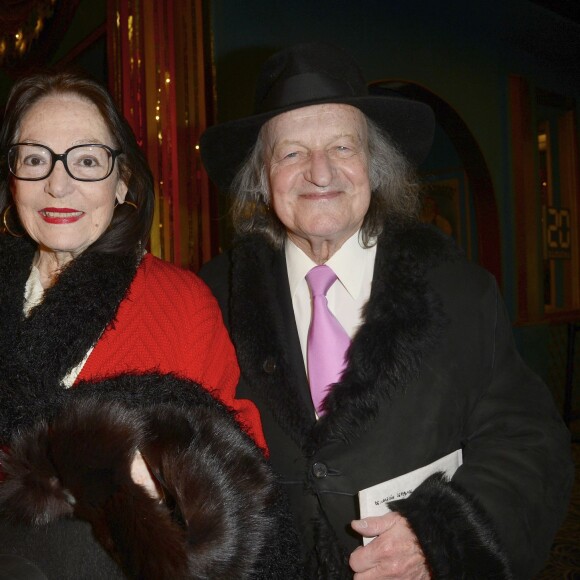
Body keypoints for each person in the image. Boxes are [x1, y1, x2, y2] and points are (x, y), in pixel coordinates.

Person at [199, 42, 574, 579]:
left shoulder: (460, 292)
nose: (320, 173)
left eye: (342, 148)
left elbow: (530, 442)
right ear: (262, 177)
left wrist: (443, 535)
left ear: (375, 166)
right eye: (291, 153)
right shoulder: (212, 298)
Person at [0, 69, 301, 579]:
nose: (58, 183)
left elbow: (240, 468)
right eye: (35, 159)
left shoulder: (182, 303)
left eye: (87, 160)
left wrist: (171, 482)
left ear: (122, 183)